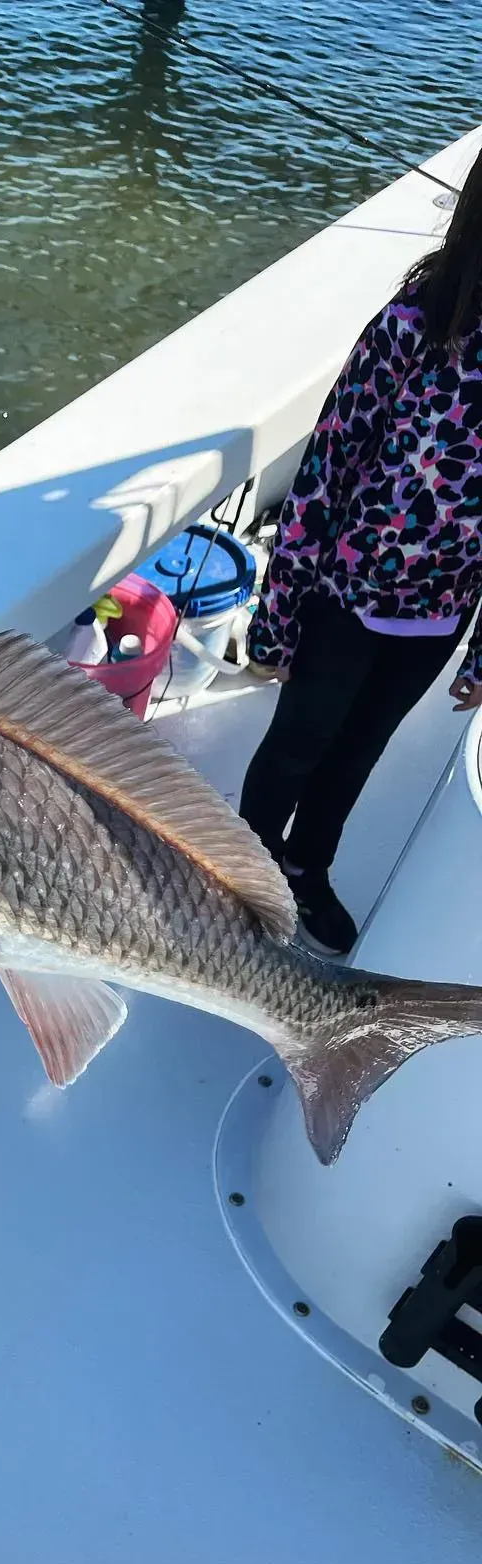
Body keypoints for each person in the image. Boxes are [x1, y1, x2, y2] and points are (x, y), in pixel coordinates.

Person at [238, 150, 482, 958]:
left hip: (442, 615)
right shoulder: (410, 328)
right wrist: (276, 620)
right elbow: (322, 477)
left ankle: (307, 867)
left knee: (358, 752)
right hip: (344, 602)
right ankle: (242, 874)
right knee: (296, 744)